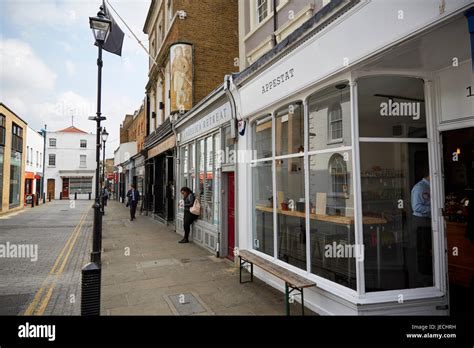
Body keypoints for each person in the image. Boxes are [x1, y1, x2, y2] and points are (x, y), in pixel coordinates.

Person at [410, 173, 432, 280]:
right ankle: (423, 276)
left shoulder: (431, 186)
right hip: (422, 222)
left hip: (429, 221)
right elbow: (416, 206)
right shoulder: (420, 187)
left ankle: (428, 272)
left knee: (427, 248)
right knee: (423, 249)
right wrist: (434, 209)